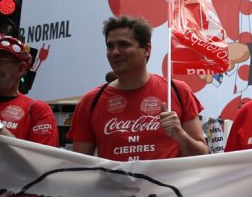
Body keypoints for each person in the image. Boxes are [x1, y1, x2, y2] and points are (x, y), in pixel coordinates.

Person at [68, 16, 209, 161]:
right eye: (110, 46)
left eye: (124, 45)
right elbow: (78, 166)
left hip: (166, 184)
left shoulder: (177, 90)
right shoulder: (90, 101)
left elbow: (202, 157)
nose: (115, 52)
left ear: (147, 49)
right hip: (113, 184)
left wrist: (179, 134)